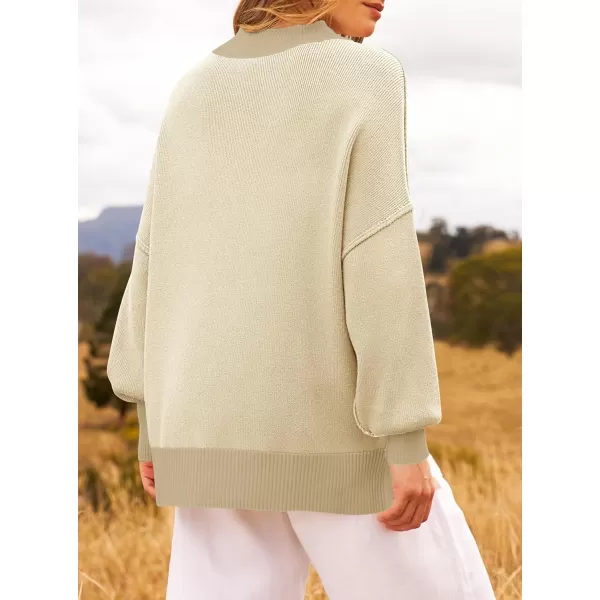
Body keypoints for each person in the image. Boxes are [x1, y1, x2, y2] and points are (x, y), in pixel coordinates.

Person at [107, 1, 496, 598]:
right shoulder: (366, 75)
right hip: (333, 431)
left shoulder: (192, 88)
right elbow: (380, 261)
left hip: (199, 430)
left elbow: (155, 260)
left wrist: (152, 426)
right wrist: (404, 438)